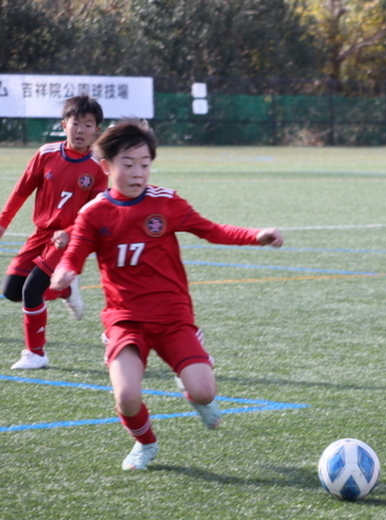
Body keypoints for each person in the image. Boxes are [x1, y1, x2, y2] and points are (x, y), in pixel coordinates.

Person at [50, 119, 284, 471]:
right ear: (106, 166)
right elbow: (77, 251)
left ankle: (193, 392)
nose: (138, 172)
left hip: (173, 318)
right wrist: (66, 270)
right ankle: (145, 444)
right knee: (127, 396)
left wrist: (256, 235)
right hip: (125, 319)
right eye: (128, 164)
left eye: (145, 163)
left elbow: (212, 230)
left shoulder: (167, 202)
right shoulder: (94, 213)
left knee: (205, 391)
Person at [1, 95, 106, 370]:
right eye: (76, 123)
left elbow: (96, 210)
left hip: (71, 239)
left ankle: (36, 354)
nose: (81, 130)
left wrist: (70, 231)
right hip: (40, 234)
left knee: (32, 290)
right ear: (63, 125)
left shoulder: (98, 168)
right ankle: (63, 290)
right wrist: (3, 222)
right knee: (12, 291)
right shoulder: (46, 153)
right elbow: (21, 190)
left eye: (88, 124)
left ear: (97, 130)